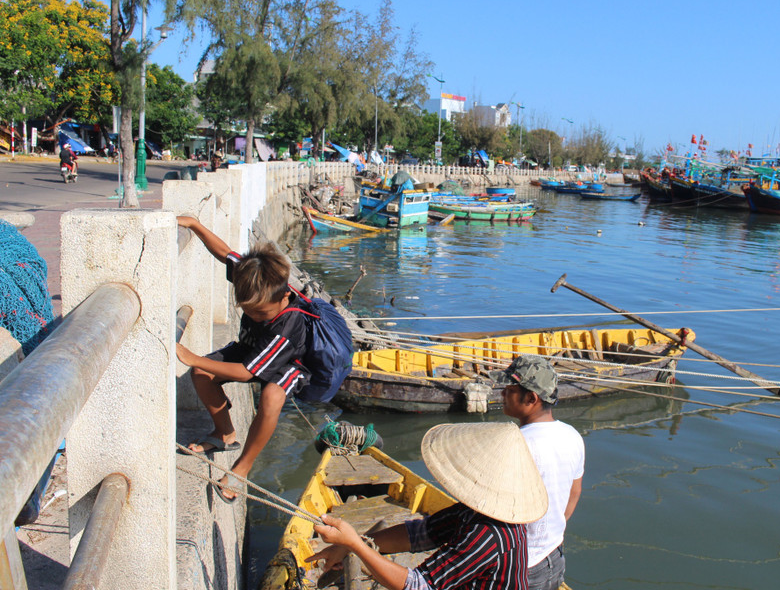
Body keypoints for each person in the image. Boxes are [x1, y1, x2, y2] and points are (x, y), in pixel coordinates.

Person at [175, 215, 324, 502]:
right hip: (252, 348)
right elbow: (224, 253)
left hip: (289, 362)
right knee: (202, 375)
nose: (256, 317)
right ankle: (224, 434)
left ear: (282, 298)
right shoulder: (255, 277)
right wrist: (194, 224)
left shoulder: (286, 323)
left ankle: (241, 469)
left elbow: (246, 372)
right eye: (250, 312)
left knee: (271, 396)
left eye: (261, 314)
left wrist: (191, 357)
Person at [306, 422, 548, 590]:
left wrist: (354, 544)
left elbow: (420, 585)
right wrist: (358, 544)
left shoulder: (489, 534)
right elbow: (422, 534)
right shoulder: (474, 511)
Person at [492, 355, 585, 590]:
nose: (502, 393)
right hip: (553, 556)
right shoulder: (572, 435)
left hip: (518, 564)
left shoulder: (515, 443)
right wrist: (552, 529)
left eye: (509, 389)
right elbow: (574, 492)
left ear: (531, 398)